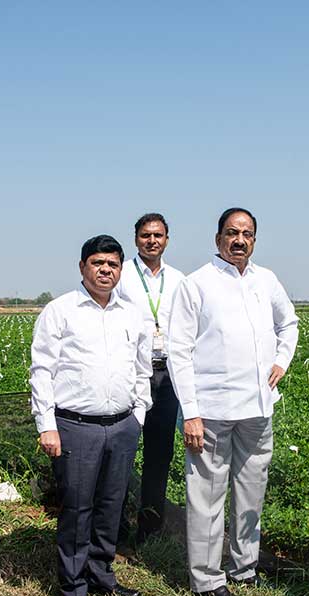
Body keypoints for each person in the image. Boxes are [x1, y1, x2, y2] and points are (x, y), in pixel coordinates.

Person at [167, 207, 299, 596]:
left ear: (254, 240)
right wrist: (190, 411)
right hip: (211, 409)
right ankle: (207, 578)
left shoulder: (267, 280)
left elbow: (289, 323)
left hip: (258, 408)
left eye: (247, 234)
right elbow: (178, 351)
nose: (239, 240)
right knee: (207, 493)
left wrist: (282, 360)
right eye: (231, 233)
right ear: (218, 237)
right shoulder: (197, 285)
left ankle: (245, 567)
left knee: (251, 491)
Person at [29, 234, 152, 596]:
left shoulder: (132, 313)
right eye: (98, 263)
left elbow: (142, 369)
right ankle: (74, 587)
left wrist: (139, 415)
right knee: (78, 508)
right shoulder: (60, 311)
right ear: (82, 266)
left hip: (122, 426)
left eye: (113, 264)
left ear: (120, 269)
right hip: (75, 426)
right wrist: (46, 425)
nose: (106, 270)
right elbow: (42, 370)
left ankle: (101, 573)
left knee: (111, 506)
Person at [115, 213, 185, 544]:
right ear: (136, 239)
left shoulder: (180, 280)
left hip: (168, 374)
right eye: (145, 235)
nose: (152, 241)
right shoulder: (122, 275)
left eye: (158, 235)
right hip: (132, 372)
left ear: (167, 240)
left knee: (160, 453)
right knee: (122, 449)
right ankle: (115, 527)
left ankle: (150, 527)